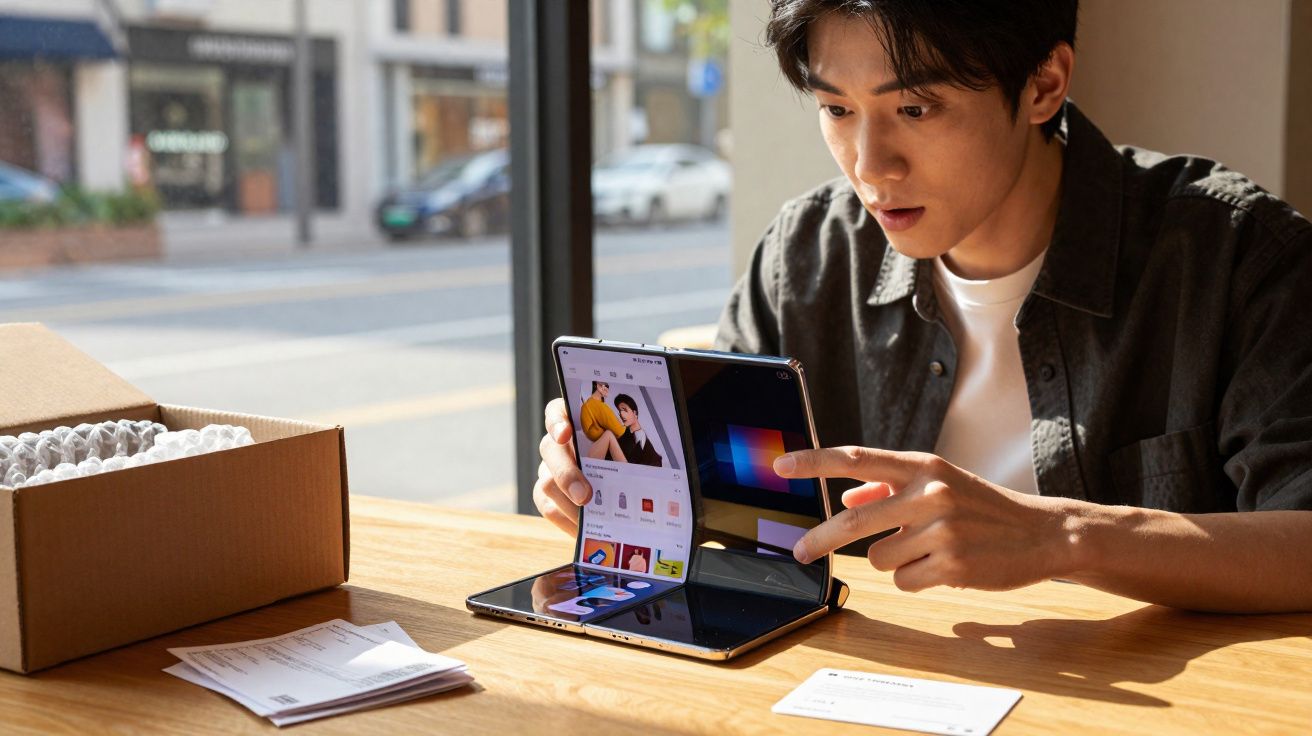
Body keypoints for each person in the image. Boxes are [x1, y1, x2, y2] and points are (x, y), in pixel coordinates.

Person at [535, 0, 1312, 613]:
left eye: (914, 109)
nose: (870, 166)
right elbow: (733, 515)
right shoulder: (808, 254)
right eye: (837, 110)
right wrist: (629, 489)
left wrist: (1063, 535)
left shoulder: (1235, 256)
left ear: (1043, 84)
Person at [578, 381, 626, 462]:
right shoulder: (600, 406)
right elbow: (619, 431)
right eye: (606, 388)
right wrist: (623, 426)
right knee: (609, 434)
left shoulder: (587, 405)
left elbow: (588, 430)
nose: (607, 391)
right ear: (598, 386)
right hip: (603, 443)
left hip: (594, 444)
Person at [613, 393, 663, 467]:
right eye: (620, 411)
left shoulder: (645, 440)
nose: (621, 415)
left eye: (625, 410)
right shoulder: (621, 435)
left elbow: (656, 461)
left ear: (635, 413)